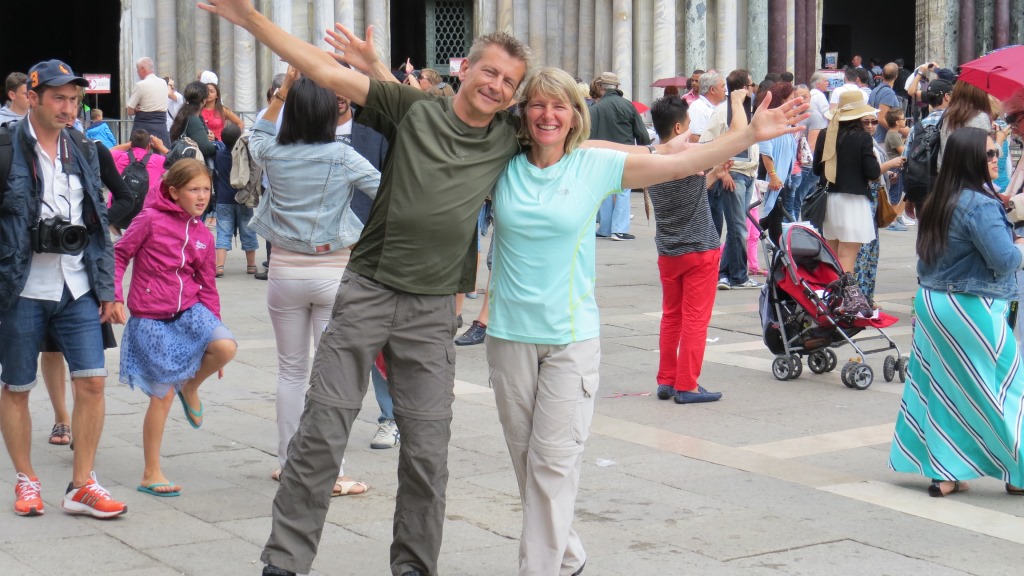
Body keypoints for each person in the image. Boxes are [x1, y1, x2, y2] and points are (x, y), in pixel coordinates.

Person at [199, 5, 805, 576]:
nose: (497, 86)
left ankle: (414, 565)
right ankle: (285, 561)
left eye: (509, 81)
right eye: (489, 72)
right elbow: (327, 72)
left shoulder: (507, 137)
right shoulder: (416, 109)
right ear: (465, 68)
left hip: (435, 307)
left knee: (428, 448)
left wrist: (690, 144)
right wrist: (250, 17)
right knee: (323, 426)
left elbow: (579, 146)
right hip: (368, 287)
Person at [487, 66, 799, 576]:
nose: (548, 115)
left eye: (559, 105)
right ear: (523, 113)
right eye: (538, 104)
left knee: (552, 463)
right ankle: (569, 556)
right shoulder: (500, 163)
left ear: (575, 115)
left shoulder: (590, 164)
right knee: (529, 464)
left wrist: (746, 135)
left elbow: (681, 163)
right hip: (508, 338)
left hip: (569, 339)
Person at [0, 59, 126, 518]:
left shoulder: (85, 147)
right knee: (17, 386)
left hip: (77, 285)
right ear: (31, 97)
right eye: (58, 98)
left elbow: (98, 220)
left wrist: (108, 289)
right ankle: (26, 479)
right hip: (21, 287)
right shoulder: (6, 148)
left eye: (74, 99)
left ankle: (82, 484)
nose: (68, 108)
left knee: (92, 382)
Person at [248, 68, 379, 497]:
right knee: (330, 377)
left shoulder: (273, 152)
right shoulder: (342, 156)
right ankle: (330, 471)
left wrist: (284, 90)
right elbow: (385, 191)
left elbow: (257, 133)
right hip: (333, 270)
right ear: (327, 113)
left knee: (290, 371)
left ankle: (288, 464)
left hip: (284, 271)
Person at [889, 127, 1024, 498]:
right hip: (971, 305)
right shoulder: (981, 204)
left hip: (933, 302)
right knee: (1005, 387)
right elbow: (1004, 260)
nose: (997, 158)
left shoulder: (938, 198)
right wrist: (1020, 244)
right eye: (990, 154)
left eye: (997, 152)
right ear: (970, 160)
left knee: (942, 386)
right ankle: (1019, 471)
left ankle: (946, 472)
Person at [110, 158, 237, 496]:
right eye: (194, 190)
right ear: (174, 191)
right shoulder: (149, 220)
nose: (202, 196)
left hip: (189, 309)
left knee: (225, 346)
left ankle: (190, 387)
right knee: (162, 396)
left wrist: (212, 330)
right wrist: (115, 296)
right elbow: (119, 255)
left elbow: (207, 285)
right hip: (151, 316)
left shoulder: (203, 234)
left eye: (206, 189)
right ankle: (151, 472)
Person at [703, 69, 761, 289]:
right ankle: (739, 275)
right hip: (732, 172)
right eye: (751, 85)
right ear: (744, 88)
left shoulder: (748, 110)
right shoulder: (722, 111)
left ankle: (726, 272)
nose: (753, 89)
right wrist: (722, 171)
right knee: (738, 227)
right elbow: (708, 142)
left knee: (738, 226)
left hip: (748, 172)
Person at [812, 90, 881, 273]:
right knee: (847, 256)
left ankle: (831, 290)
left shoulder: (825, 134)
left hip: (830, 200)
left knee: (833, 256)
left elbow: (816, 169)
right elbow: (873, 172)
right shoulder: (862, 137)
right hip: (854, 201)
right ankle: (844, 291)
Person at [590, 71, 651, 240]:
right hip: (625, 153)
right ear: (617, 86)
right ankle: (619, 229)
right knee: (624, 189)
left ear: (601, 87)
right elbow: (642, 133)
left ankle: (605, 228)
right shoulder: (627, 105)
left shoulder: (595, 108)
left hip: (601, 154)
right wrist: (645, 148)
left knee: (605, 191)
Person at [853, 108, 906, 302]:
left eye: (873, 122)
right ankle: (860, 296)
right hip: (866, 198)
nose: (870, 126)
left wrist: (887, 173)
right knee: (864, 250)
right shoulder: (862, 142)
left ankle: (867, 296)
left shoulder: (872, 142)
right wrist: (891, 164)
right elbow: (870, 172)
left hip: (874, 196)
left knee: (871, 250)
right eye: (865, 122)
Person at [213, 123, 258, 276]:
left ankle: (219, 266)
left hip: (224, 199)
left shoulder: (219, 155)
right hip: (244, 198)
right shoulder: (245, 155)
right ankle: (251, 265)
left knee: (223, 232)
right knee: (248, 230)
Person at [938, 81, 992, 166]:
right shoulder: (980, 117)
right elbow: (987, 155)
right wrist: (1000, 139)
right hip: (971, 172)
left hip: (947, 171)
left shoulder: (947, 116)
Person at [127, 57, 171, 147]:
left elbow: (129, 111)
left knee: (139, 153)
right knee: (161, 153)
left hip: (143, 128)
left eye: (137, 70)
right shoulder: (163, 83)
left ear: (142, 69)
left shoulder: (140, 85)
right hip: (161, 127)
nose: (137, 73)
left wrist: (135, 110)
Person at [169, 80, 218, 160]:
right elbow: (206, 148)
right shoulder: (193, 119)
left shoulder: (184, 114)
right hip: (193, 163)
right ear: (203, 100)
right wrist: (217, 145)